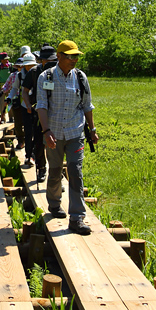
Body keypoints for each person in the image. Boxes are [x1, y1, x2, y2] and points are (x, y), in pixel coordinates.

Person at [36, 40, 99, 236]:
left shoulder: (80, 77)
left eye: (76, 56)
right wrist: (46, 132)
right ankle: (54, 204)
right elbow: (42, 105)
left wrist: (92, 129)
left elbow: (87, 105)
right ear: (60, 56)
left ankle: (77, 217)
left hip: (75, 132)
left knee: (75, 171)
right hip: (53, 132)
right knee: (55, 171)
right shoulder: (45, 76)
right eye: (70, 56)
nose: (74, 60)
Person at [28, 46, 58, 181]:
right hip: (39, 112)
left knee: (57, 146)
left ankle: (56, 174)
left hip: (56, 113)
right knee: (39, 142)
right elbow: (24, 90)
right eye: (47, 60)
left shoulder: (59, 72)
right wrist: (29, 105)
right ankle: (41, 168)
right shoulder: (34, 72)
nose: (50, 62)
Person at [14, 53, 39, 165]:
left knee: (37, 132)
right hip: (25, 107)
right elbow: (15, 89)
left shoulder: (40, 74)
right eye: (27, 65)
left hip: (39, 107)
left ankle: (36, 154)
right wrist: (9, 98)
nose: (29, 67)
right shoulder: (19, 75)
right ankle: (29, 155)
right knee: (28, 132)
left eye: (31, 65)